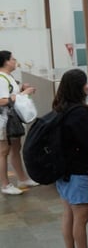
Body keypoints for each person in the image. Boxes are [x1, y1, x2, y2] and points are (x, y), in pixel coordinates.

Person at [53, 68, 88, 248]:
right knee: (81, 217)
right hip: (75, 171)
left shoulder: (59, 107)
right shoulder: (78, 112)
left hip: (62, 169)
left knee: (68, 213)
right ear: (79, 87)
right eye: (85, 83)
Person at [0, 50, 38, 195]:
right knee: (3, 152)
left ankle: (22, 178)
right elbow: (2, 100)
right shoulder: (1, 79)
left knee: (16, 148)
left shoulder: (8, 77)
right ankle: (5, 184)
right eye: (13, 59)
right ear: (6, 61)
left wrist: (21, 90)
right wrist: (23, 94)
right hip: (4, 121)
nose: (15, 61)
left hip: (12, 120)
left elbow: (11, 95)